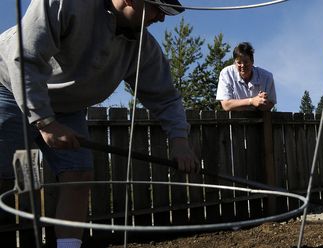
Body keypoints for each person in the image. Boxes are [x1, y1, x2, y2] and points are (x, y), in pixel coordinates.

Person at [0, 0, 199, 247]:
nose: (161, 18)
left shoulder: (142, 46)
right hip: (9, 84)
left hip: (66, 107)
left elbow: (166, 97)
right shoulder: (68, 3)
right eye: (158, 8)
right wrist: (44, 121)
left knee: (79, 174)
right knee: (7, 174)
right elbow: (26, 56)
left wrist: (180, 140)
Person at [216, 42, 277, 111]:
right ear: (234, 62)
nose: (243, 65)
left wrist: (263, 102)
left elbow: (271, 103)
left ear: (252, 61)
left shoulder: (267, 77)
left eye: (246, 62)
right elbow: (226, 105)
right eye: (239, 62)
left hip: (259, 120)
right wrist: (251, 101)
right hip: (234, 120)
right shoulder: (226, 74)